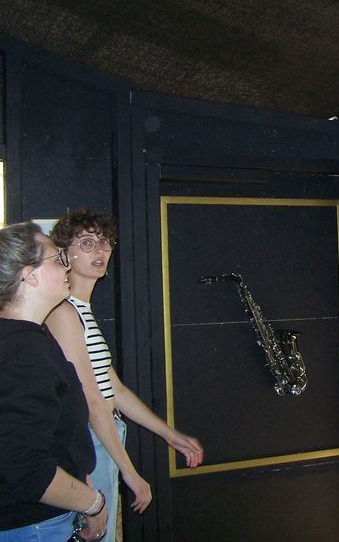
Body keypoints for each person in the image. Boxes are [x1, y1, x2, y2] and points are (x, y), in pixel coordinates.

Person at [46, 209, 203, 542]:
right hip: (90, 439)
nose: (100, 250)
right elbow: (92, 400)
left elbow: (113, 388)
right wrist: (131, 472)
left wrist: (170, 434)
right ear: (65, 253)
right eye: (87, 243)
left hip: (105, 436)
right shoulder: (64, 311)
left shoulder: (81, 310)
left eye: (105, 242)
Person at [0, 222, 108, 541]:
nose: (67, 265)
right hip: (32, 524)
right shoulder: (22, 350)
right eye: (58, 258)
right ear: (29, 275)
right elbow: (28, 469)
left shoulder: (32, 336)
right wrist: (93, 503)